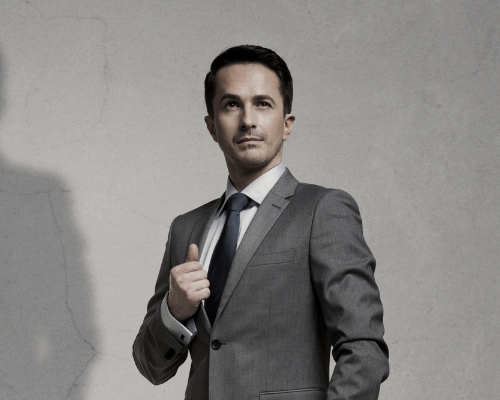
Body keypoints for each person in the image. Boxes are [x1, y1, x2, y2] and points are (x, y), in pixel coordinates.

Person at [132, 45, 389, 400]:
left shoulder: (322, 210)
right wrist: (174, 311)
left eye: (263, 104)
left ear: (286, 124)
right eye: (231, 104)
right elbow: (150, 366)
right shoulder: (186, 228)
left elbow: (364, 349)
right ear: (211, 126)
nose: (248, 120)